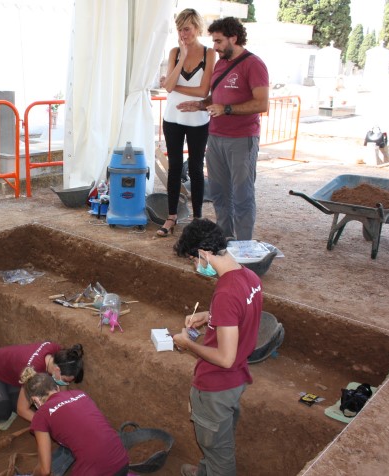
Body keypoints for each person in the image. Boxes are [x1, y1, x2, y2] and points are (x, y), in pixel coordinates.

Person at [171, 218, 262, 476]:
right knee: (218, 440)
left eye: (193, 259)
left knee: (218, 450)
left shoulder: (225, 293)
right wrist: (210, 317)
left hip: (216, 386)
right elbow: (239, 313)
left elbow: (224, 358)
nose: (195, 265)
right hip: (236, 381)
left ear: (203, 254)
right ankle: (205, 472)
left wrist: (188, 344)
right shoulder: (249, 277)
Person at [177, 17, 269, 241]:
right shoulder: (221, 63)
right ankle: (225, 239)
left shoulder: (254, 64)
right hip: (215, 137)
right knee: (219, 193)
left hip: (242, 139)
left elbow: (262, 103)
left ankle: (244, 244)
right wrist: (201, 104)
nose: (215, 47)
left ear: (233, 38)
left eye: (218, 42)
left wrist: (226, 109)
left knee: (242, 195)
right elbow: (216, 98)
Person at [158, 8, 216, 237]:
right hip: (173, 118)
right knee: (174, 167)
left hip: (198, 120)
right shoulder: (174, 52)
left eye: (187, 29)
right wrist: (181, 57)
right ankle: (171, 217)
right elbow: (169, 85)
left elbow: (203, 90)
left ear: (197, 28)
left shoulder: (209, 54)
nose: (183, 33)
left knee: (195, 169)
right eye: (179, 29)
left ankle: (197, 218)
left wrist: (172, 86)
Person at [21, 368, 130, 476]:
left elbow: (45, 471)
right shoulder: (80, 394)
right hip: (122, 462)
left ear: (35, 400)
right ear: (57, 388)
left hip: (100, 471)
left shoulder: (41, 415)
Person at [0, 342, 84, 423]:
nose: (66, 384)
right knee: (2, 413)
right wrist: (49, 425)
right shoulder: (33, 372)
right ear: (57, 370)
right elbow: (21, 410)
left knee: (34, 403)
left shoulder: (58, 354)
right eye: (65, 381)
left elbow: (62, 387)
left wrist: (64, 406)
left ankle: (4, 391)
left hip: (11, 373)